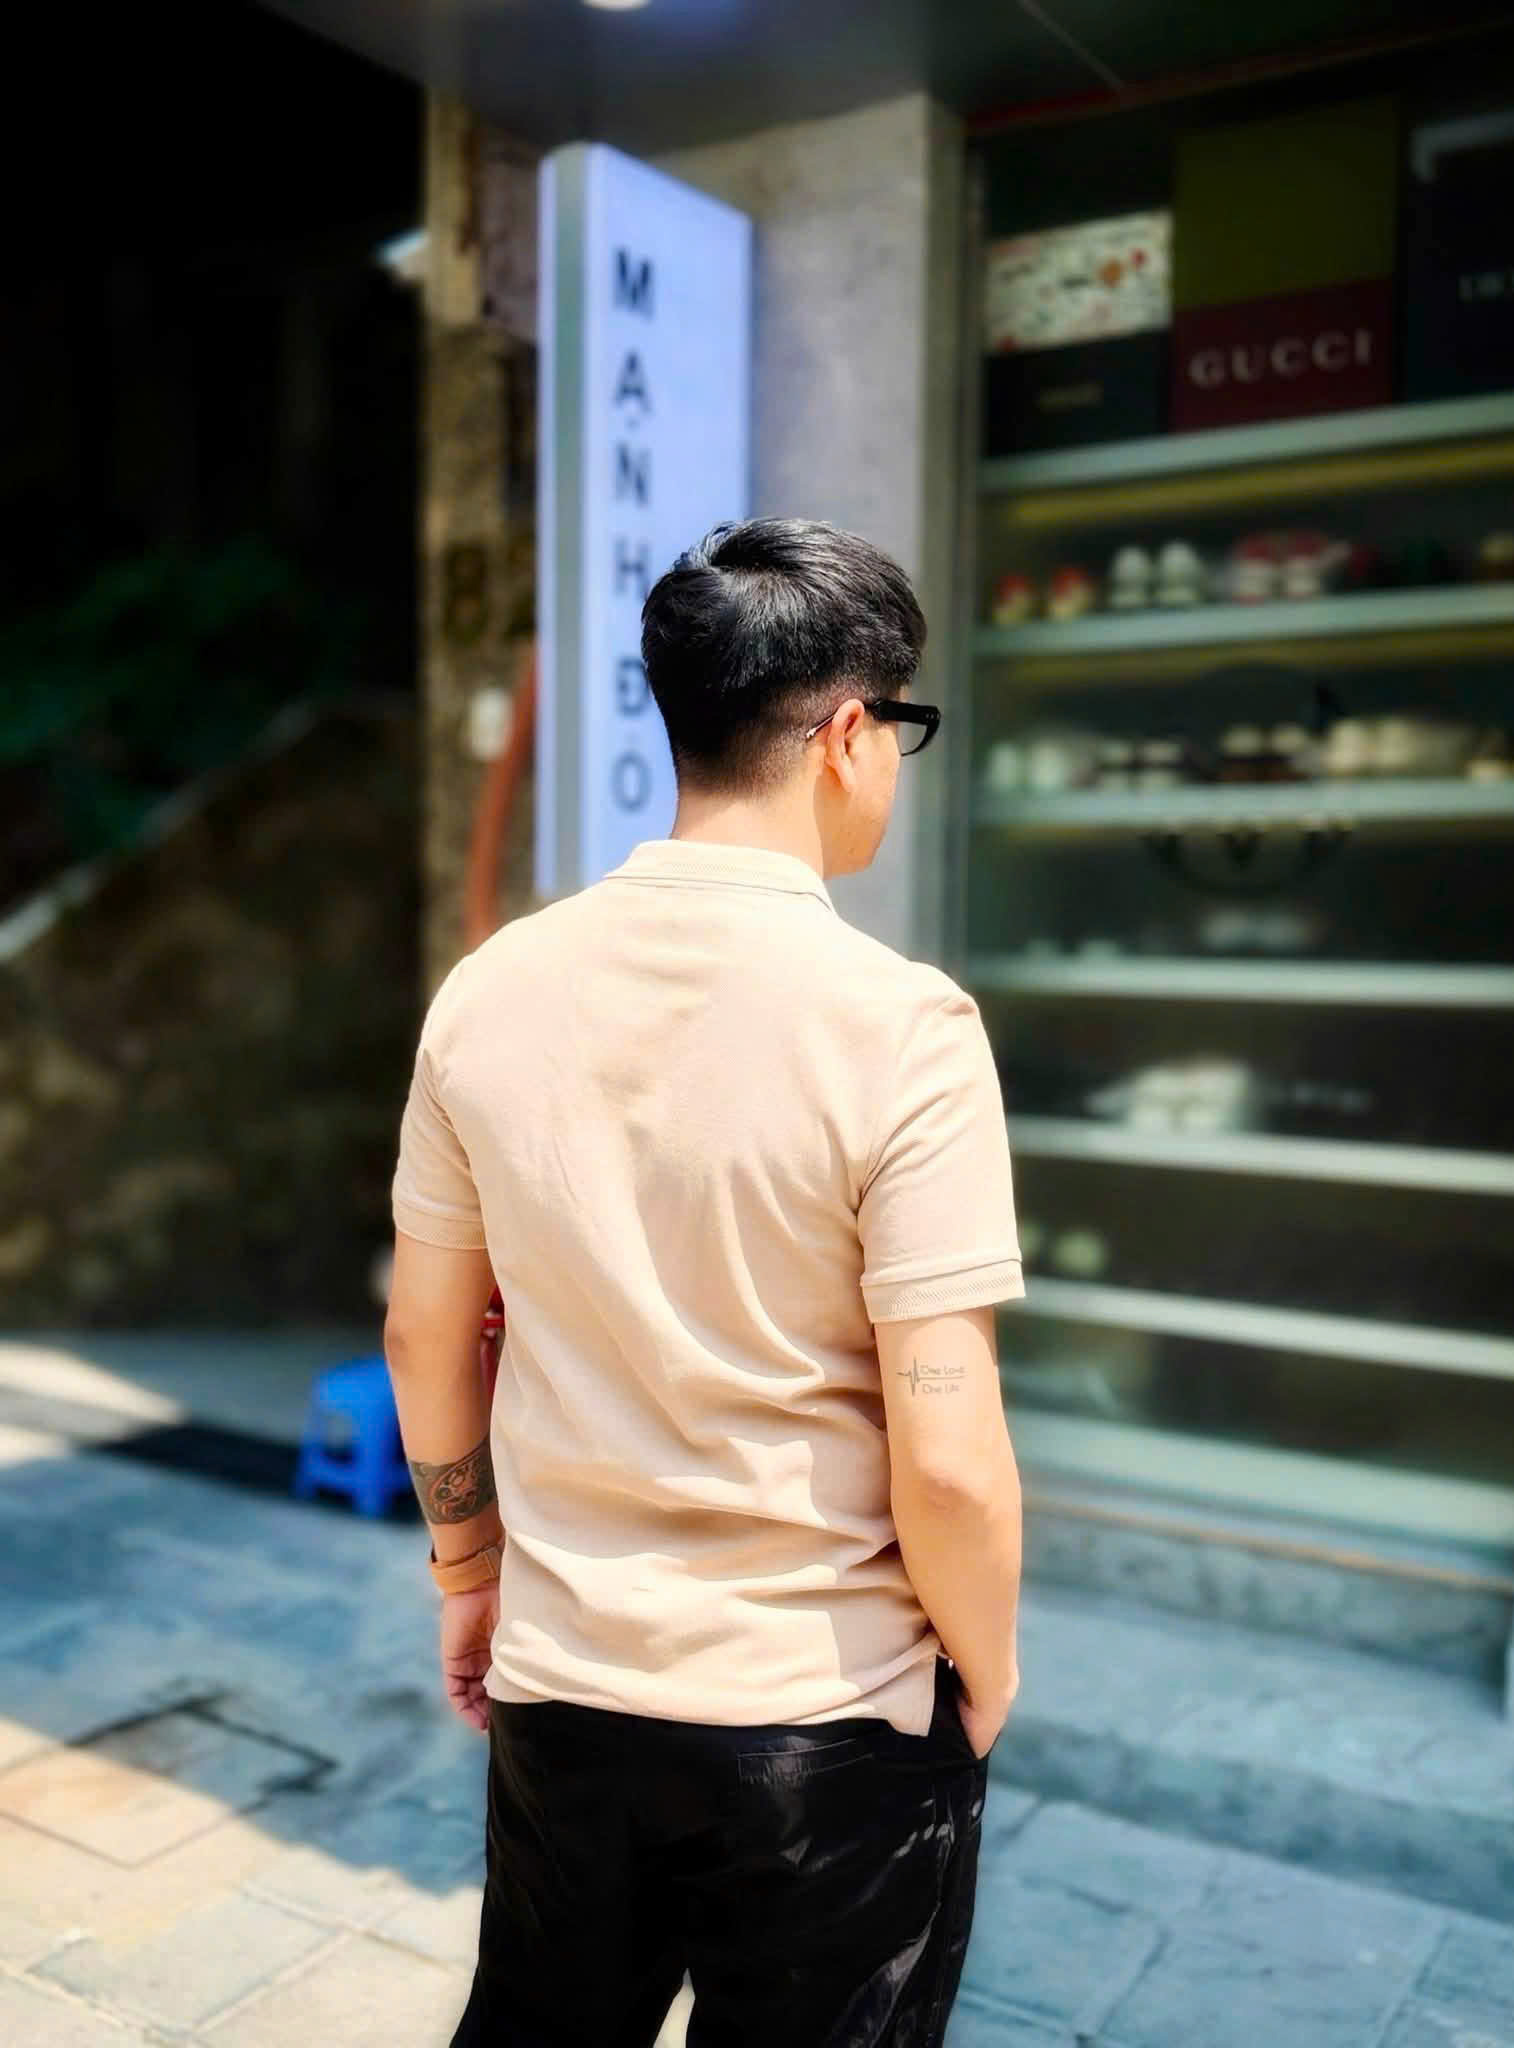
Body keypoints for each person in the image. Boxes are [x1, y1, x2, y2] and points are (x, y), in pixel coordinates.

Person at [385, 518, 1025, 2047]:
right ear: (851, 734)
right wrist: (987, 1669)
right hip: (825, 1715)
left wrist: (471, 1578)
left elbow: (425, 1335)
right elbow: (948, 1457)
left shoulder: (489, 993)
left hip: (567, 1681)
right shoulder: (904, 1028)